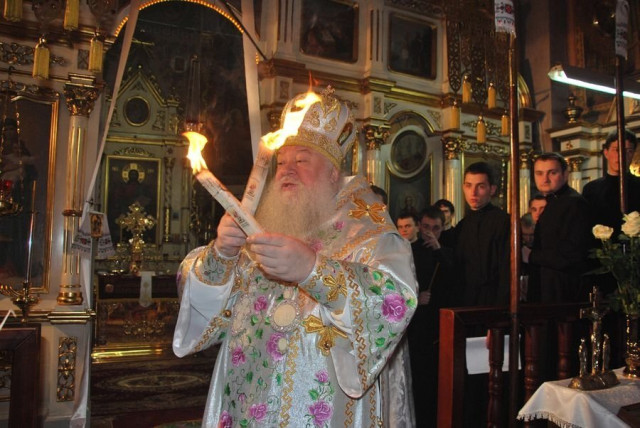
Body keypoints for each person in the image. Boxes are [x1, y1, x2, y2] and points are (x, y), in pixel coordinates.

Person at [173, 89, 418, 428]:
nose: (287, 170)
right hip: (245, 397)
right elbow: (207, 313)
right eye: (282, 162)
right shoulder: (263, 223)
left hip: (321, 408)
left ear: (332, 172)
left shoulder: (367, 229)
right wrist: (222, 253)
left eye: (301, 161)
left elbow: (395, 300)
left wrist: (313, 270)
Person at [408, 206, 455, 427]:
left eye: (435, 228)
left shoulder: (447, 252)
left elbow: (455, 279)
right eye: (426, 227)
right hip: (415, 325)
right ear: (419, 226)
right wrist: (416, 299)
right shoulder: (409, 251)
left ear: (442, 228)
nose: (429, 232)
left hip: (438, 326)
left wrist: (438, 249)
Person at [524, 152, 593, 303]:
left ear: (565, 174)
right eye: (539, 173)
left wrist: (531, 255)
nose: (545, 179)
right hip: (549, 285)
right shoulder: (553, 202)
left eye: (552, 173)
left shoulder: (574, 204)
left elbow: (572, 255)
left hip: (563, 289)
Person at [454, 161, 510, 307]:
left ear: (492, 189)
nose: (473, 193)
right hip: (465, 299)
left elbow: (506, 269)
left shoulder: (503, 221)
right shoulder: (462, 225)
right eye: (468, 185)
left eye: (480, 186)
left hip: (492, 300)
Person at [582, 129, 640, 235]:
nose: (622, 155)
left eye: (629, 151)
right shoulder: (591, 189)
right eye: (616, 150)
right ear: (606, 152)